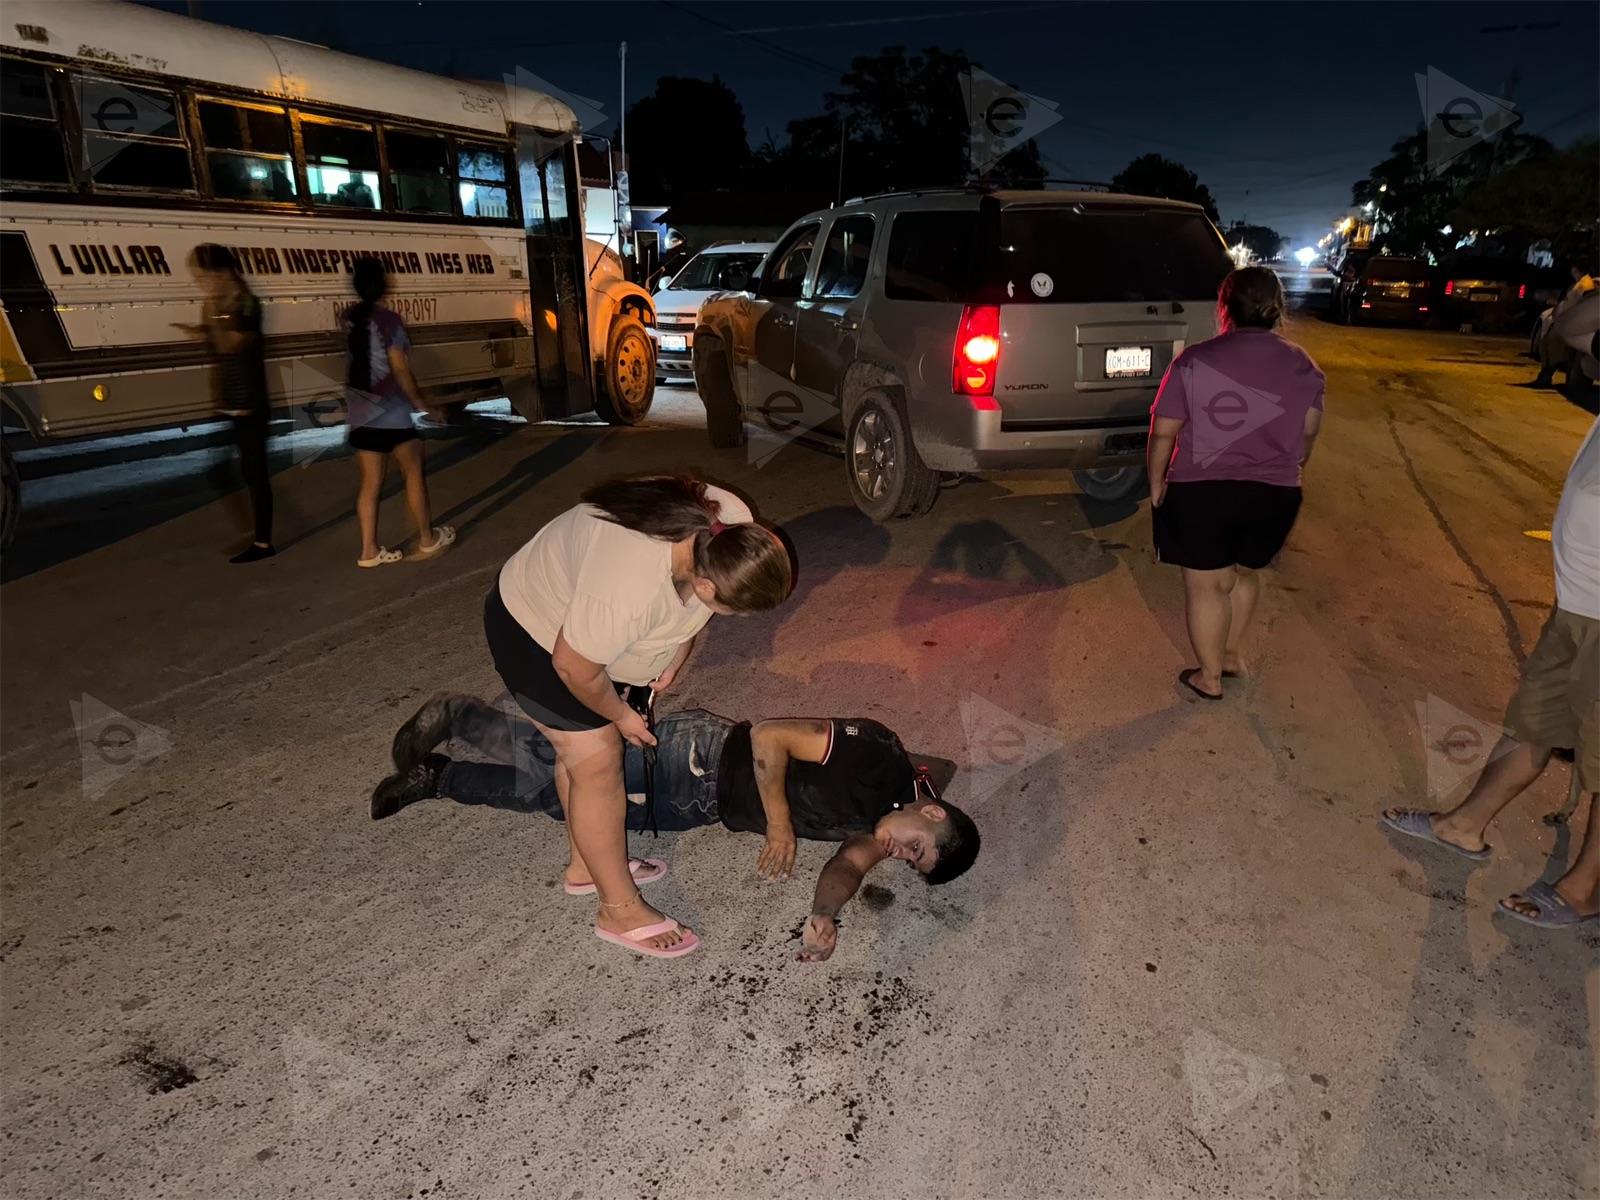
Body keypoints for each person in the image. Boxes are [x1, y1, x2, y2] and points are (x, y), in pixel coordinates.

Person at [369, 695, 981, 961]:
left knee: (567, 807)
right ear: (930, 811)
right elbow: (770, 734)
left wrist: (825, 915)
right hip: (702, 755)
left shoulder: (879, 831)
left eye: (909, 864)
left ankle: (439, 779)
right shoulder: (880, 756)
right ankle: (466, 720)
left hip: (695, 808)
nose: (898, 855)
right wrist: (779, 826)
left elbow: (846, 867)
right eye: (916, 848)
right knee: (573, 762)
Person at [483, 474, 793, 958]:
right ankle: (618, 909)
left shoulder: (726, 525)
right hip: (533, 629)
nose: (733, 620)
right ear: (707, 582)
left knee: (583, 755)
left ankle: (588, 866)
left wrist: (675, 648)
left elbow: (693, 604)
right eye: (732, 611)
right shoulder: (625, 588)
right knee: (598, 757)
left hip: (580, 616)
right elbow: (574, 667)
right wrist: (622, 715)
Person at [1381, 417, 1599, 928]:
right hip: (1578, 607)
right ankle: (1463, 825)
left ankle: (1586, 888)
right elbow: (1574, 333)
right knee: (1532, 725)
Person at [1147, 266, 1325, 700]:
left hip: (1202, 493)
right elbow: (1306, 436)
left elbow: (1164, 431)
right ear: (1279, 309)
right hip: (1275, 495)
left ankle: (1208, 678)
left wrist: (1155, 483)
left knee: (1207, 585)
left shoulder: (1194, 360)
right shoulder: (1303, 365)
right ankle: (1229, 654)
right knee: (1246, 572)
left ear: (1224, 308)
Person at [343, 257, 454, 568]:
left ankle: (369, 550)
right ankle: (427, 538)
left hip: (360, 410)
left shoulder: (348, 317)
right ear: (383, 285)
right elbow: (400, 369)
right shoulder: (390, 321)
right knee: (414, 474)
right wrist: (422, 403)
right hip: (391, 412)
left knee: (370, 484)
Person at [181, 244, 275, 563]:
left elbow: (230, 344)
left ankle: (263, 542)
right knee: (220, 470)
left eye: (205, 277)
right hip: (228, 401)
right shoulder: (221, 304)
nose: (202, 284)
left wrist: (211, 318)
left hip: (250, 403)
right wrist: (204, 327)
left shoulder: (247, 304)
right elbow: (218, 343)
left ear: (223, 273)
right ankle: (252, 531)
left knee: (254, 473)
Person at [1530, 264, 1596, 389]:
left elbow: (1575, 304)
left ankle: (1546, 376)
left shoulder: (1584, 285)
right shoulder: (1580, 284)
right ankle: (1545, 375)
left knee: (1552, 347)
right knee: (1546, 345)